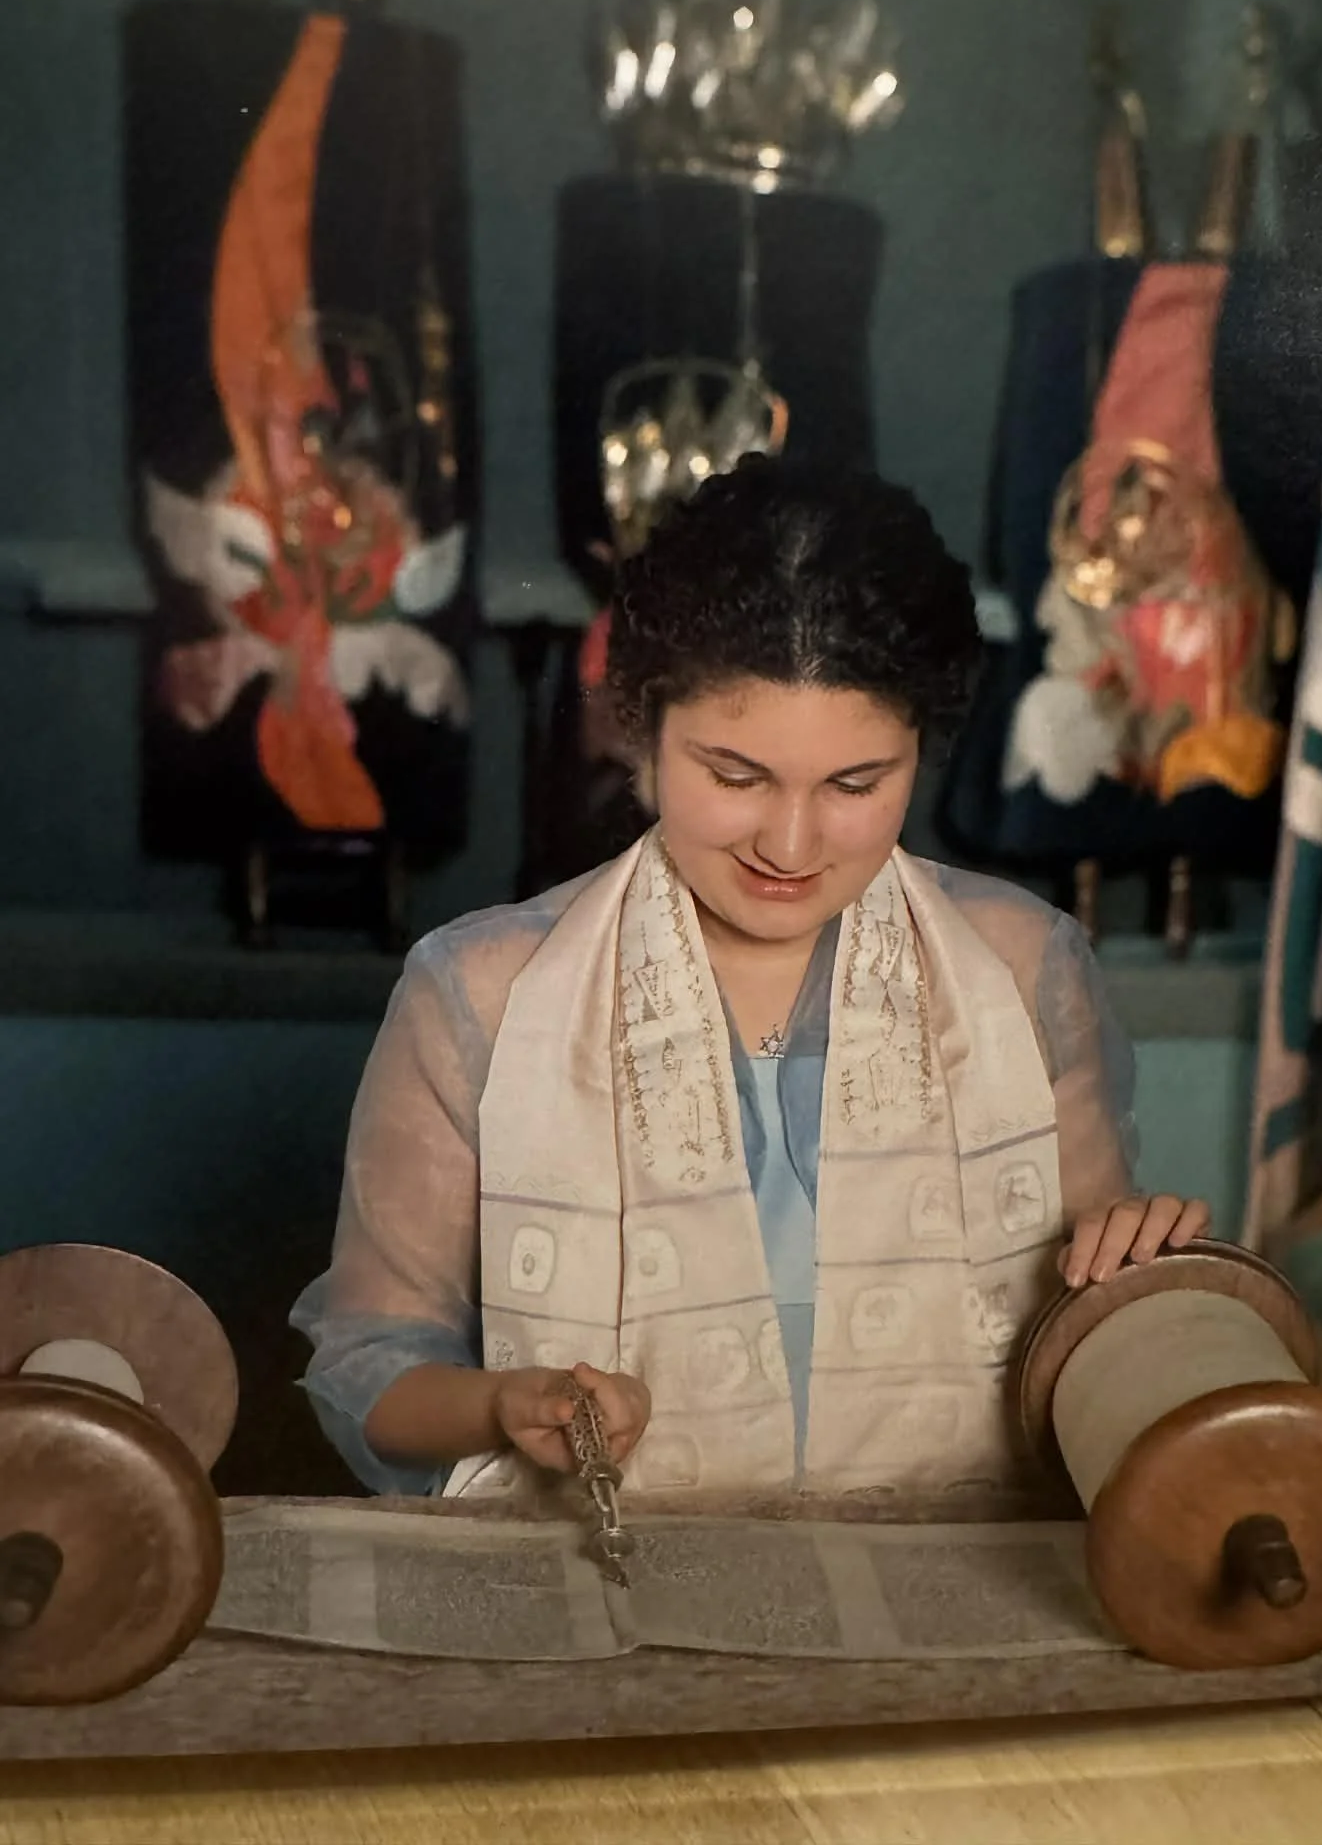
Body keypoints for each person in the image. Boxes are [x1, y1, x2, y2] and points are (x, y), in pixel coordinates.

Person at [292, 460, 1210, 1503]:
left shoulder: (1017, 966)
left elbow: (1093, 1335)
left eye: (856, 783)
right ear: (642, 728)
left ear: (920, 750)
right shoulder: (485, 993)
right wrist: (505, 1403)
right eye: (735, 775)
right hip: (609, 1580)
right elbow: (371, 1367)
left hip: (953, 1573)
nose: (790, 843)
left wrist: (1156, 1267)